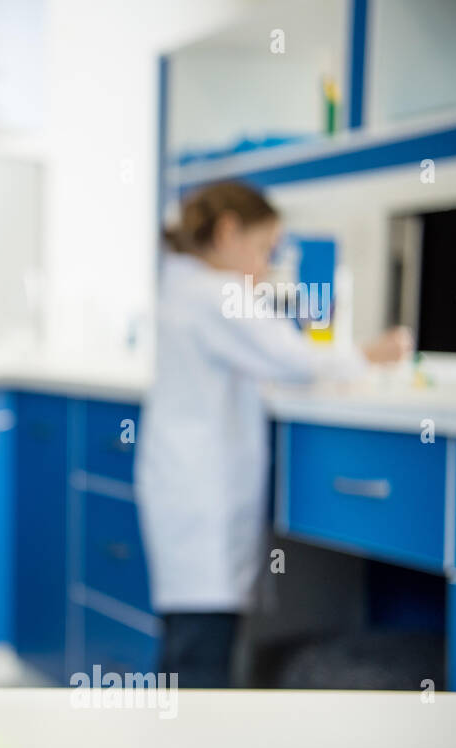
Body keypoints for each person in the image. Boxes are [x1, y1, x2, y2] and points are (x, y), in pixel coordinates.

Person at [134, 181, 412, 687]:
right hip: (200, 502)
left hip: (183, 490)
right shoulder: (215, 294)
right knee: (200, 657)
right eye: (263, 249)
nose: (266, 264)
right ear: (227, 232)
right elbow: (296, 359)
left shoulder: (184, 284)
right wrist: (374, 353)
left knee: (187, 646)